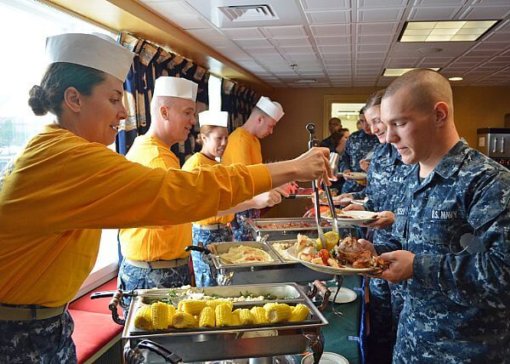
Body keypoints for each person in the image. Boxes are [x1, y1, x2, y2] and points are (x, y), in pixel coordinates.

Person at [0, 33, 332, 363]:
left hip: (44, 322)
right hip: (17, 333)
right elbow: (185, 191)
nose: (122, 114)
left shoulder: (64, 152)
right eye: (114, 99)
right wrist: (292, 168)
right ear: (74, 99)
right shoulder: (65, 159)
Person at [374, 69, 510, 363]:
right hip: (410, 343)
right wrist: (364, 254)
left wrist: (418, 267)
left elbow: (503, 272)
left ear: (439, 115)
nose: (389, 138)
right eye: (386, 125)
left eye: (399, 123)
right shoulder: (410, 177)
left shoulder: (487, 181)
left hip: (468, 352)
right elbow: (401, 240)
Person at [342, 90, 411, 364]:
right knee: (380, 320)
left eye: (377, 120)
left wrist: (394, 217)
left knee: (401, 324)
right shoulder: (381, 154)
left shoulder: (416, 155)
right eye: (369, 122)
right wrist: (362, 205)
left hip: (409, 253)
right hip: (380, 245)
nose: (374, 128)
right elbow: (377, 196)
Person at [117, 76, 198, 306]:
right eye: (187, 113)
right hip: (154, 276)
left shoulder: (149, 148)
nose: (193, 120)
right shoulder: (157, 159)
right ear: (164, 112)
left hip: (155, 270)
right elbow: (187, 207)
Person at [182, 110, 282, 286]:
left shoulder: (217, 164)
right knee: (210, 285)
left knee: (226, 283)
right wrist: (254, 201)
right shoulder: (196, 165)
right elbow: (210, 206)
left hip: (223, 230)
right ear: (204, 138)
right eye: (218, 138)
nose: (223, 143)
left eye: (226, 138)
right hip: (206, 233)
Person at [222, 96, 291, 241]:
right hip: (240, 209)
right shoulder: (240, 140)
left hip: (251, 207)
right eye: (270, 126)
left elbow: (259, 175)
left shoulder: (254, 141)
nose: (271, 131)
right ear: (260, 119)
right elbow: (247, 182)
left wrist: (279, 183)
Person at [339, 107, 379, 193]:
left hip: (375, 188)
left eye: (367, 121)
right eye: (362, 121)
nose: (365, 125)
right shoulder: (354, 137)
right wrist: (345, 169)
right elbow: (345, 156)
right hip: (351, 187)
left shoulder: (382, 138)